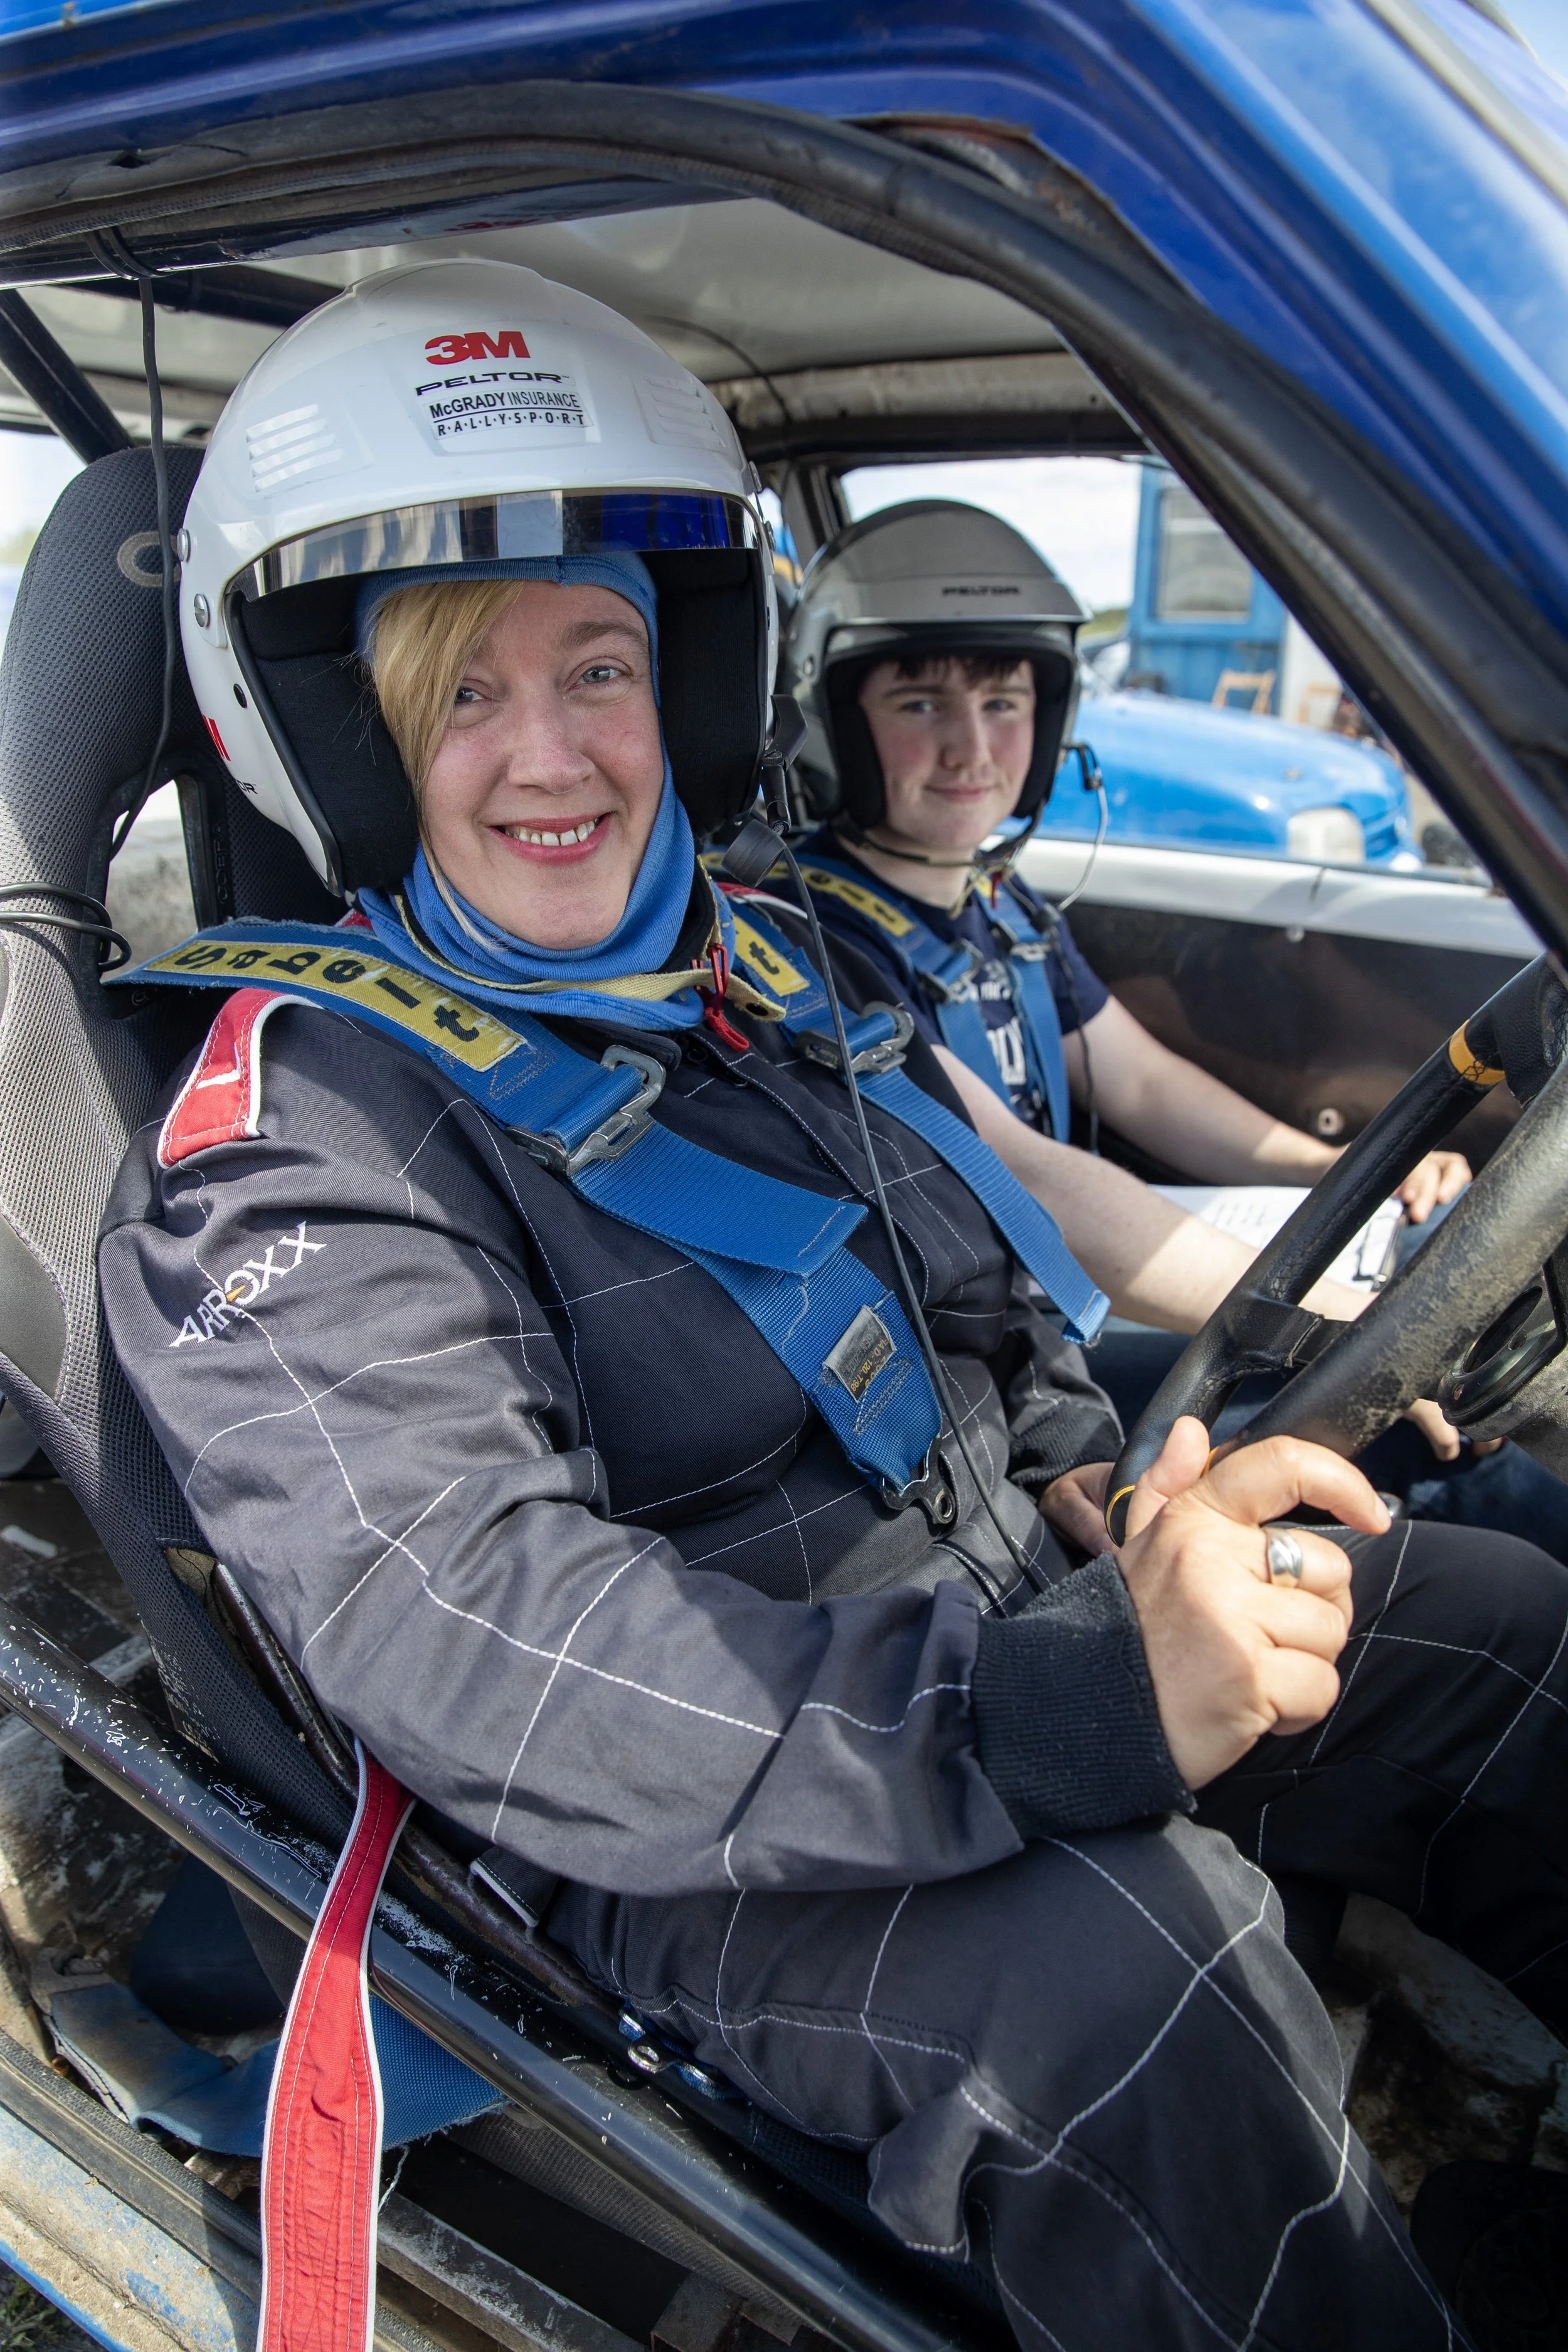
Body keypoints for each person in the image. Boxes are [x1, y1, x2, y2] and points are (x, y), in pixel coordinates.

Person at [99, 260, 1568, 2351]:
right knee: (1136, 1982)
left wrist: (1085, 1486)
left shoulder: (763, 972)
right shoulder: (302, 1133)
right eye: (466, 695)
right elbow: (485, 1640)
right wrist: (1043, 1713)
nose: (552, 758)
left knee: (1493, 1637)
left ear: (686, 691)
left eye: (598, 671)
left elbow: (983, 1300)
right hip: (675, 1838)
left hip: (966, 1637)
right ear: (358, 736)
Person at [784, 499, 1566, 1554]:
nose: (971, 747)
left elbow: (1147, 1086)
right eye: (920, 703)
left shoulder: (998, 906)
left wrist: (1347, 1176)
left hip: (1069, 1321)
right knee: (1478, 1469)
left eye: (1006, 701)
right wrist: (1354, 1314)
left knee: (1440, 1276)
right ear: (832, 720)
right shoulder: (817, 941)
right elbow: (1035, 1182)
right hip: (1016, 1361)